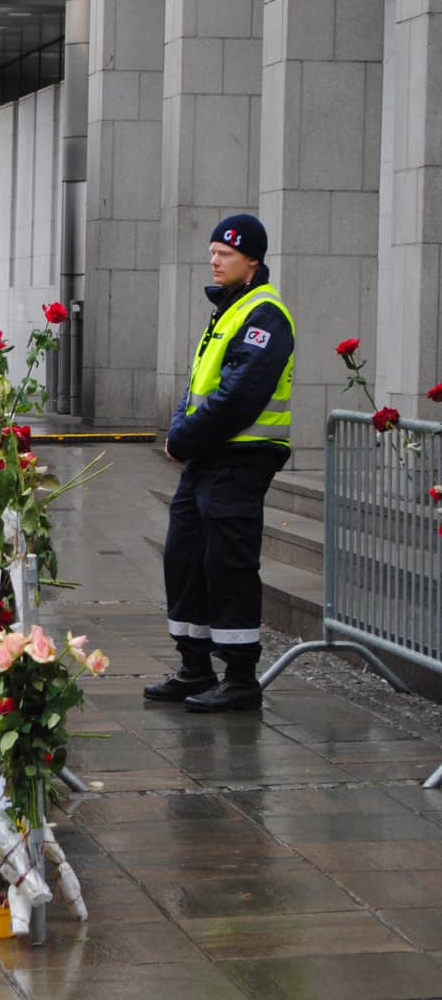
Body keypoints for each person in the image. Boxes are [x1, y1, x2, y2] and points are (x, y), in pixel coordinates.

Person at [144, 213, 294, 713]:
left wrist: (183, 438)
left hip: (242, 458)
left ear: (253, 259)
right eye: (211, 251)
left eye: (224, 253)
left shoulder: (265, 313)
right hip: (209, 457)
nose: (213, 259)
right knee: (185, 557)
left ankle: (240, 677)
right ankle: (195, 666)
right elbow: (197, 388)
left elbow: (239, 397)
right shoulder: (227, 310)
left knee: (228, 563)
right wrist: (179, 430)